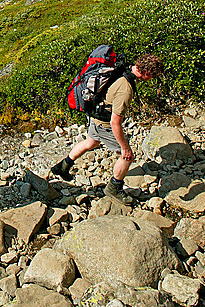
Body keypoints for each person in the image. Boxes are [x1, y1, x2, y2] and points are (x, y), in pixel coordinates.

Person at [50, 54, 164, 205]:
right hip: (103, 123)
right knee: (127, 157)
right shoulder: (126, 89)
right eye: (153, 76)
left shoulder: (122, 68)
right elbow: (115, 123)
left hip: (93, 114)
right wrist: (125, 147)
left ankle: (62, 166)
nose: (151, 79)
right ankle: (114, 188)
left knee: (91, 142)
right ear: (147, 72)